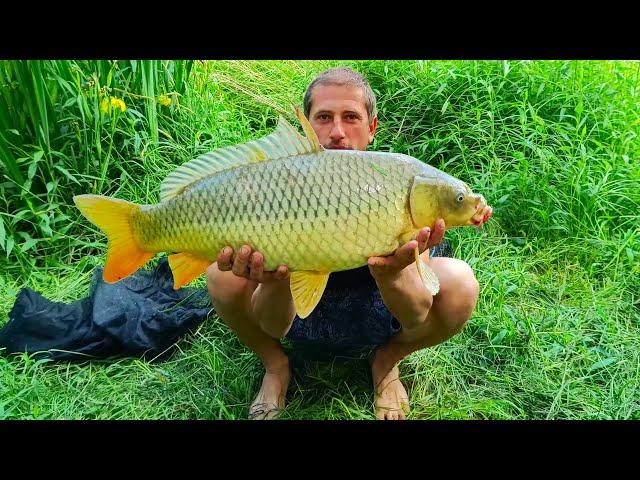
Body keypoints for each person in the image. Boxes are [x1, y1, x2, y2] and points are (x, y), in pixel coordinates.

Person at [206, 67, 493, 420]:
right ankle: (276, 365)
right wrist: (275, 279)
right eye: (324, 118)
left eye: (351, 118)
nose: (338, 132)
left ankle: (387, 362)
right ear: (306, 127)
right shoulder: (281, 176)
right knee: (220, 277)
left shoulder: (400, 183)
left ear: (372, 128)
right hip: (293, 304)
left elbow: (415, 314)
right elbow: (272, 323)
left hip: (377, 304)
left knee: (461, 283)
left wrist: (393, 274)